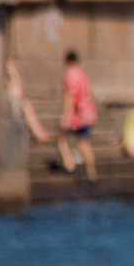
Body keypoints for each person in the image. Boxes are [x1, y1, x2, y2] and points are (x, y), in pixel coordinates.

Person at [57, 49, 97, 179]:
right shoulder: (82, 72)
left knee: (62, 138)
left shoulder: (70, 74)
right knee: (84, 142)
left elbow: (71, 97)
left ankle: (70, 165)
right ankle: (92, 174)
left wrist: (65, 117)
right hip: (88, 113)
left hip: (78, 115)